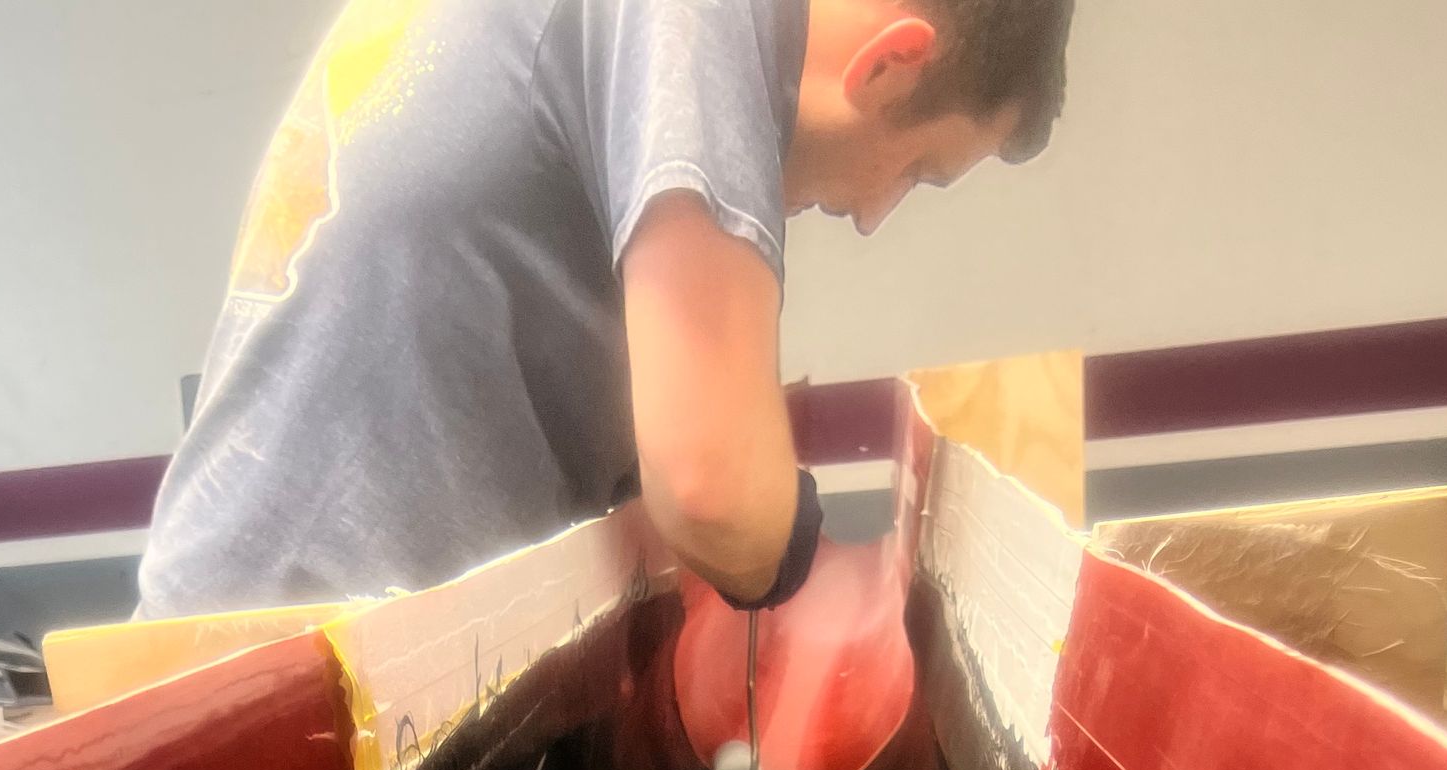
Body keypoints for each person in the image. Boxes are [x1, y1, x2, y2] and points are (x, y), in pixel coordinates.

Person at [137, 0, 1072, 621]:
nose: (874, 215)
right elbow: (711, 487)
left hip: (265, 625)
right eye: (916, 169)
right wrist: (829, 575)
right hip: (282, 674)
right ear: (893, 62)